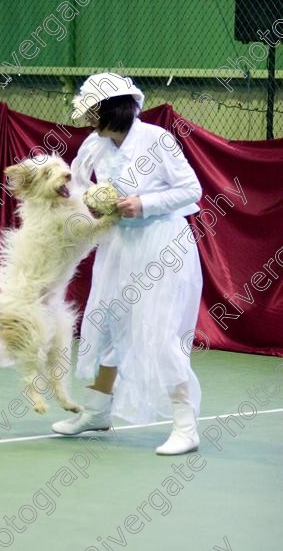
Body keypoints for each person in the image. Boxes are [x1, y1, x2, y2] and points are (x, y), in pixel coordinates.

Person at [51, 73, 203, 455]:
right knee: (107, 324)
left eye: (93, 111)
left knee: (160, 332)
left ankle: (186, 426)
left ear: (113, 109)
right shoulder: (94, 145)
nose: (87, 119)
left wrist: (144, 203)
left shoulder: (156, 140)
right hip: (119, 245)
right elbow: (81, 185)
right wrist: (85, 198)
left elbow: (191, 189)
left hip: (162, 246)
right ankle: (98, 411)